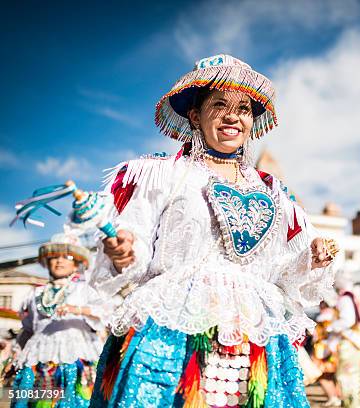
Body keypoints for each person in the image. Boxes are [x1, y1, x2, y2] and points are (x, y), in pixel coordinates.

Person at [88, 54, 337, 407]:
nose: (233, 116)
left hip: (254, 334)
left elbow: (281, 272)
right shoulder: (162, 175)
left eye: (244, 109)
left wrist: (310, 260)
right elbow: (136, 238)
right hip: (174, 325)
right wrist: (126, 249)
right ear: (195, 115)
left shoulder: (275, 193)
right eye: (219, 105)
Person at [11, 233, 108, 408]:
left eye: (67, 257)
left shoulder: (84, 290)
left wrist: (76, 309)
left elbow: (104, 313)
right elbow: (27, 329)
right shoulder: (34, 294)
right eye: (54, 257)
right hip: (37, 357)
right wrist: (14, 354)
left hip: (76, 353)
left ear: (77, 263)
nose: (59, 261)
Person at [327, 276, 360, 408]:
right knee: (352, 375)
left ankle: (352, 404)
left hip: (349, 342)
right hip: (354, 341)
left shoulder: (345, 299)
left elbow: (347, 321)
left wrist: (331, 326)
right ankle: (353, 403)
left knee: (346, 376)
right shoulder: (353, 297)